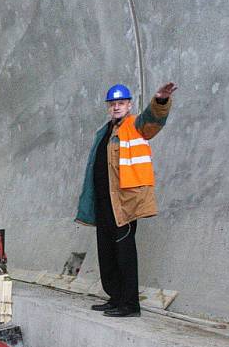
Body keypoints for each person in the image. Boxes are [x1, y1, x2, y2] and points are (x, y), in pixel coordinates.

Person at [76, 82, 177, 317]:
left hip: (124, 202)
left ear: (129, 105)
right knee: (107, 252)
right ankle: (116, 297)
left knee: (124, 252)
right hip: (103, 203)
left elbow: (153, 121)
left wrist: (160, 101)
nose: (116, 107)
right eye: (112, 104)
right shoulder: (105, 131)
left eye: (121, 103)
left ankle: (130, 304)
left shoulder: (136, 125)